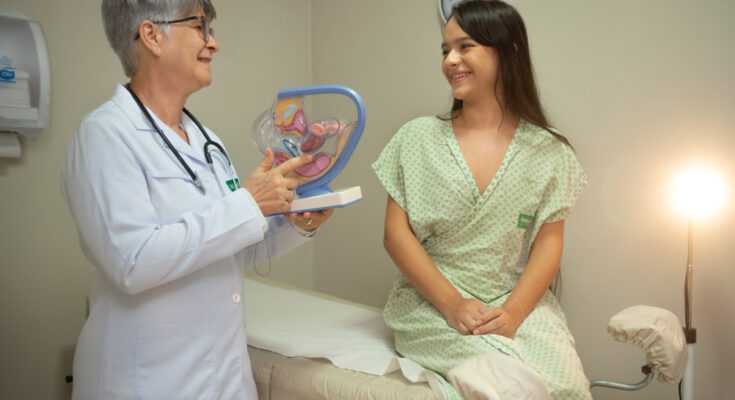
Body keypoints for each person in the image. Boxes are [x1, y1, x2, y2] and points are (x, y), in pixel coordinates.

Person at [60, 1, 332, 398]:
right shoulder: (105, 135)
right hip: (148, 384)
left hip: (224, 380)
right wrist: (249, 204)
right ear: (151, 36)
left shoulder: (208, 142)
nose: (213, 43)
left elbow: (229, 246)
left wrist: (296, 223)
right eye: (200, 26)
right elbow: (132, 261)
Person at [372, 1, 592, 399]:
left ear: (508, 51)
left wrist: (514, 313)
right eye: (445, 50)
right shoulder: (416, 139)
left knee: (567, 386)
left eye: (465, 47)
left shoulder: (549, 151)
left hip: (516, 301)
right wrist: (453, 304)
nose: (450, 60)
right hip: (431, 304)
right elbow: (395, 235)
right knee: (507, 379)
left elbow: (548, 245)